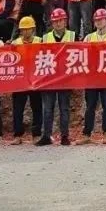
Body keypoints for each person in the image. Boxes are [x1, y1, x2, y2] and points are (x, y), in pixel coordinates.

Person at [37, 8, 76, 146]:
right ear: (52, 23)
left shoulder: (73, 36)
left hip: (65, 78)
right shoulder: (45, 37)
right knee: (47, 109)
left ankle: (64, 136)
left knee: (64, 108)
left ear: (65, 21)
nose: (58, 23)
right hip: (49, 78)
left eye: (60, 20)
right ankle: (46, 135)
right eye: (55, 21)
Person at [80, 9, 106, 144]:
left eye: (101, 19)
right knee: (90, 106)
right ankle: (86, 134)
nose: (98, 22)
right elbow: (83, 55)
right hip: (92, 78)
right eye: (96, 20)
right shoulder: (88, 38)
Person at [10, 16, 43, 143]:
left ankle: (36, 134)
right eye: (23, 29)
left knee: (37, 107)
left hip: (35, 79)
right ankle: (17, 135)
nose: (26, 31)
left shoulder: (40, 41)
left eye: (28, 29)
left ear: (33, 29)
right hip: (20, 80)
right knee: (18, 108)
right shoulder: (15, 43)